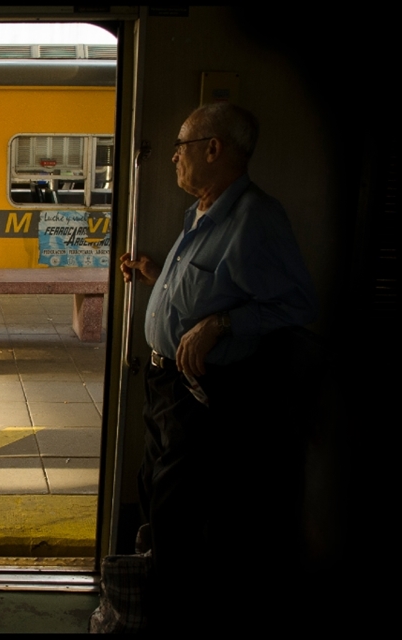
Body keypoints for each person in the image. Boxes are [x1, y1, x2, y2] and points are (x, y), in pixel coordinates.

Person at [120, 103, 318, 629]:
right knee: (152, 493)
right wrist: (155, 275)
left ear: (214, 149)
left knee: (176, 515)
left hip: (200, 394)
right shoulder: (201, 212)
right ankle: (158, 597)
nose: (172, 158)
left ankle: (171, 614)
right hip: (165, 385)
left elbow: (297, 306)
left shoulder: (256, 218)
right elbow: (211, 285)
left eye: (182, 147)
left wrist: (220, 327)